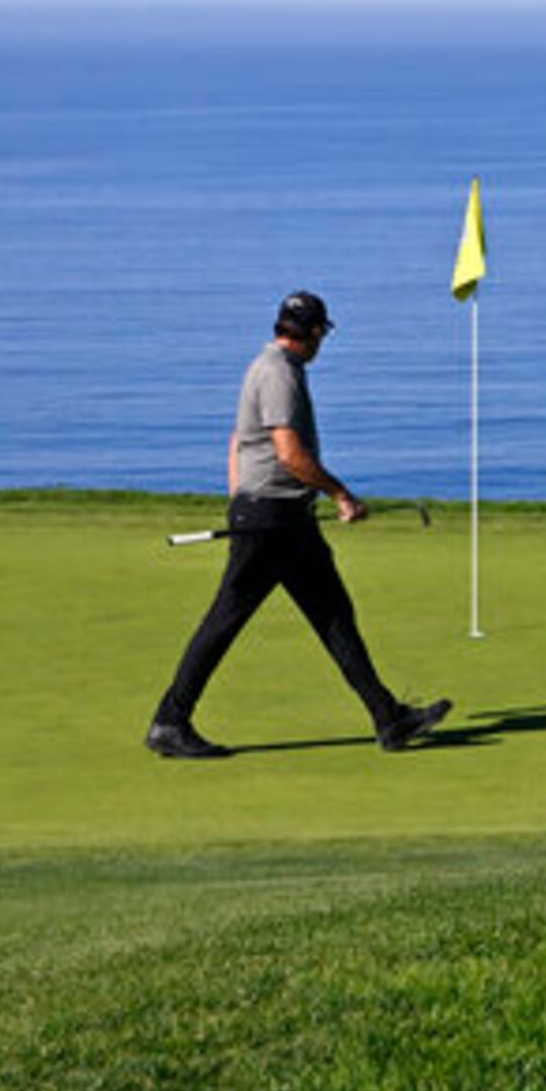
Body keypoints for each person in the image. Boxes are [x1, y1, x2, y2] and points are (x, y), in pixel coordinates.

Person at [146, 290, 454, 759]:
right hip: (272, 521)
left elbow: (237, 440)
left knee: (333, 617)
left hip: (282, 518)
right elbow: (290, 454)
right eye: (321, 333)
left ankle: (388, 718)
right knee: (226, 621)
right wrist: (340, 494)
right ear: (312, 333)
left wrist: (240, 496)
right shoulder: (279, 374)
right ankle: (170, 721)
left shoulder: (270, 367)